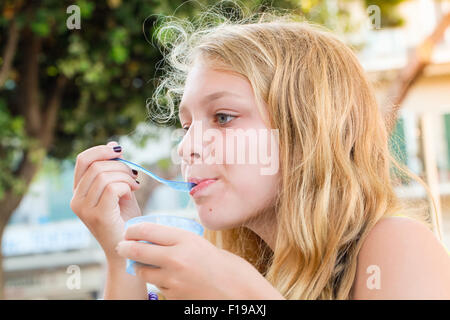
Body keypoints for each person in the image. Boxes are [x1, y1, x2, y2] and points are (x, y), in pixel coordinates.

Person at [70, 4, 450, 300]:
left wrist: (244, 295)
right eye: (186, 127)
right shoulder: (235, 266)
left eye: (222, 117)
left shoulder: (395, 245)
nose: (186, 148)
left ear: (306, 129)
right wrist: (123, 251)